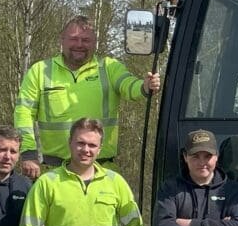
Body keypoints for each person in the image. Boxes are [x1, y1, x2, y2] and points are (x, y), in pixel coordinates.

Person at [14, 14, 160, 180]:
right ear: (62, 40)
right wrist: (28, 153)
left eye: (86, 40)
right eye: (74, 39)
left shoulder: (109, 68)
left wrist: (145, 86)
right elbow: (23, 112)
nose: (79, 45)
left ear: (94, 43)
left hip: (102, 174)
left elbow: (129, 86)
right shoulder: (40, 71)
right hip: (56, 173)